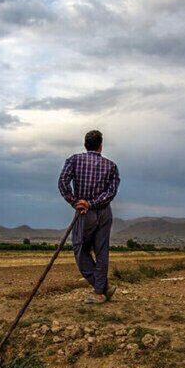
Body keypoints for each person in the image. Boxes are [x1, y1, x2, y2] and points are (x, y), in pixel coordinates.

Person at [58, 130, 121, 304]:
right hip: (104, 212)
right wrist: (92, 203)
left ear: (85, 145)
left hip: (85, 214)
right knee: (102, 251)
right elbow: (111, 192)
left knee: (80, 249)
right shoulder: (111, 166)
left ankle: (100, 290)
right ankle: (103, 289)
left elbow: (62, 182)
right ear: (101, 146)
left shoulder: (74, 160)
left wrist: (77, 202)